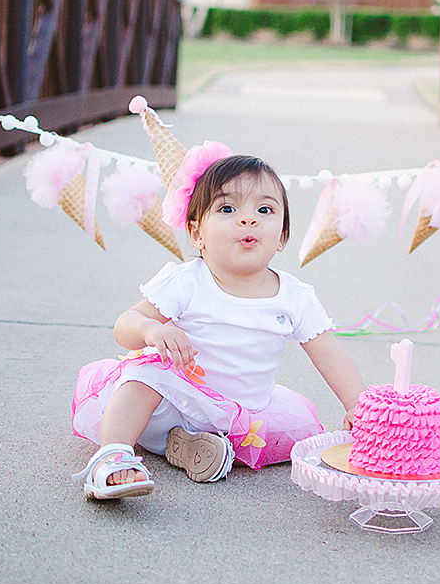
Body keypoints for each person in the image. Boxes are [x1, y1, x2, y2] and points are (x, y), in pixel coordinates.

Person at [71, 145, 365, 499]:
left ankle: (191, 448)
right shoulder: (187, 282)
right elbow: (126, 324)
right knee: (142, 376)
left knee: (291, 440)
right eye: (227, 209)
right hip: (173, 403)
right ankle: (113, 455)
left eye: (265, 210)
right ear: (197, 234)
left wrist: (356, 405)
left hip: (243, 418)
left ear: (282, 236)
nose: (248, 219)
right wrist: (152, 329)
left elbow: (329, 354)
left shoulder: (295, 297)